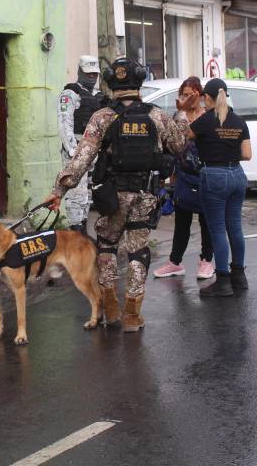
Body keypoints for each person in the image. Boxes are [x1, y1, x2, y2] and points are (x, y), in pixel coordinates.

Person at [44, 57, 187, 332]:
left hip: (111, 197)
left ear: (112, 84)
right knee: (138, 251)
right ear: (139, 82)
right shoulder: (157, 115)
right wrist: (180, 114)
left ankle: (111, 309)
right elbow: (179, 145)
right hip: (145, 195)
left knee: (107, 247)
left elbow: (81, 159)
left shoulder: (102, 117)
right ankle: (133, 315)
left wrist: (59, 190)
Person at [189, 78, 252, 297]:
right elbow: (247, 154)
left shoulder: (204, 121)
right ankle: (239, 277)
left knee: (217, 229)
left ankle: (223, 281)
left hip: (214, 176)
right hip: (236, 175)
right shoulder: (239, 121)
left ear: (207, 98)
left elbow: (183, 138)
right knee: (235, 227)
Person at [152, 77, 215, 280]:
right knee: (182, 221)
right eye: (183, 94)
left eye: (190, 94)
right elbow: (171, 144)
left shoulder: (209, 115)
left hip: (205, 175)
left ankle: (206, 260)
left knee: (207, 220)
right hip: (183, 175)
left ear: (199, 94)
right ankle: (175, 262)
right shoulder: (178, 117)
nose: (186, 98)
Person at [57, 55, 103, 233]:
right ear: (80, 72)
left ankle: (83, 234)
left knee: (88, 196)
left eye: (94, 74)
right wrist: (72, 151)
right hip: (77, 146)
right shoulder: (70, 93)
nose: (92, 77)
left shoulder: (98, 95)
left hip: (95, 149)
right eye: (88, 74)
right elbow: (64, 122)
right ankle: (77, 235)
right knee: (76, 194)